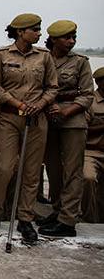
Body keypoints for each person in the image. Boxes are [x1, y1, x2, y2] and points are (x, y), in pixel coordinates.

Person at [0, 13, 58, 244]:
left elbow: (52, 87)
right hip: (9, 118)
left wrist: (41, 104)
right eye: (34, 30)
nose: (39, 33)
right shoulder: (1, 56)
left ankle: (25, 218)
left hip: (36, 119)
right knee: (4, 168)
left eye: (39, 29)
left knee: (31, 171)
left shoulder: (44, 57)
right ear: (20, 32)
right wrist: (19, 104)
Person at [37, 20, 93, 237]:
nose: (71, 41)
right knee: (53, 169)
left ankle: (68, 220)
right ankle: (59, 210)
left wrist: (65, 112)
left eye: (73, 38)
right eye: (66, 38)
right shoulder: (42, 59)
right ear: (53, 40)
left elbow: (87, 94)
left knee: (72, 171)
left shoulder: (80, 62)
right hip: (47, 119)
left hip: (72, 121)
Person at [81, 66, 104, 223]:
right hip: (91, 151)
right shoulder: (90, 102)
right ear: (98, 82)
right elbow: (82, 130)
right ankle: (90, 219)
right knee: (88, 178)